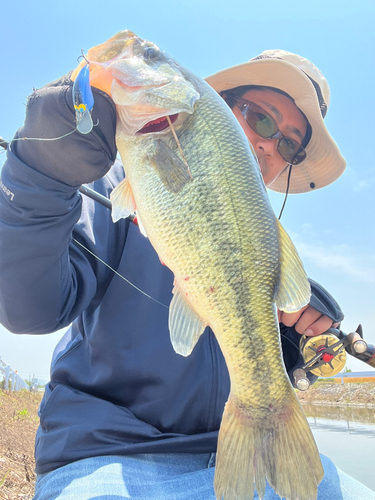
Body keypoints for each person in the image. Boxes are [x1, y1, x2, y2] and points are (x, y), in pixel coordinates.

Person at [0, 44, 373, 500]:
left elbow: (239, 353)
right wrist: (39, 176)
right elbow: (29, 310)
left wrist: (295, 348)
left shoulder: (262, 248)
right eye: (260, 118)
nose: (268, 145)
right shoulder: (117, 183)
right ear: (216, 106)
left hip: (236, 452)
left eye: (289, 145)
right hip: (108, 455)